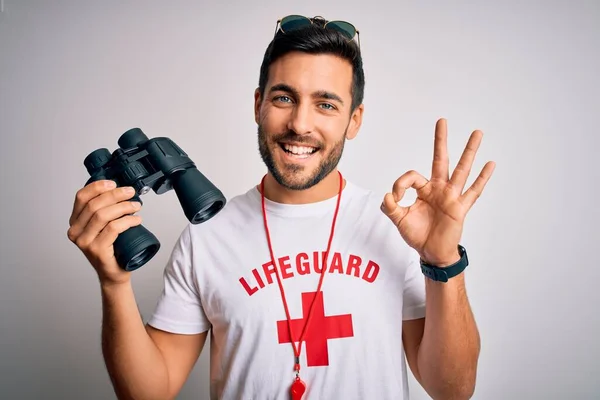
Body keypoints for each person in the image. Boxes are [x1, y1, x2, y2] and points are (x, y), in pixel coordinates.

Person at [67, 15, 495, 400]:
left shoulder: (396, 230)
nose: (300, 124)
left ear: (355, 119)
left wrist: (443, 261)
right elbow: (149, 393)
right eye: (284, 98)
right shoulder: (207, 235)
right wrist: (113, 282)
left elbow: (452, 390)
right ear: (258, 104)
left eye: (326, 104)